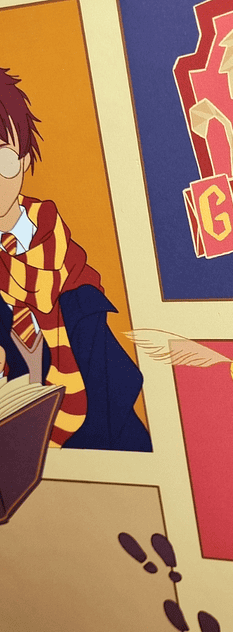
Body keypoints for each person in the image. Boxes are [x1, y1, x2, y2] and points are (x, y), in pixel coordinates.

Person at [0, 68, 151, 451]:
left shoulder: (63, 255)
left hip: (104, 432)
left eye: (2, 158)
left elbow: (105, 365)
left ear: (23, 158)